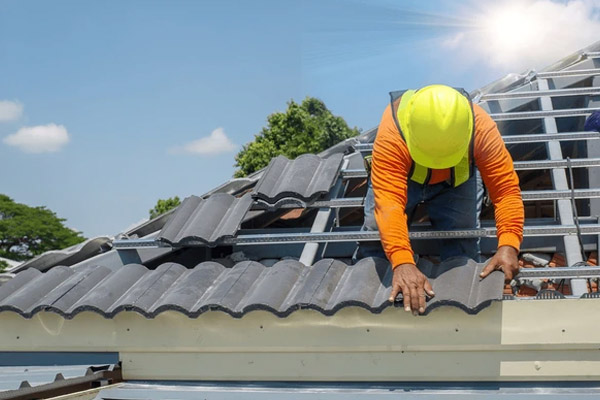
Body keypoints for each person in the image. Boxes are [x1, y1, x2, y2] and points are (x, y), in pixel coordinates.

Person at [361, 84, 524, 315]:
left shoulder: (481, 128)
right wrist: (402, 261)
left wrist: (509, 243)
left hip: (456, 181)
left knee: (461, 242)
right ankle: (370, 302)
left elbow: (505, 190)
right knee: (375, 235)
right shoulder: (393, 131)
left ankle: (460, 308)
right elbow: (389, 204)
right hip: (404, 176)